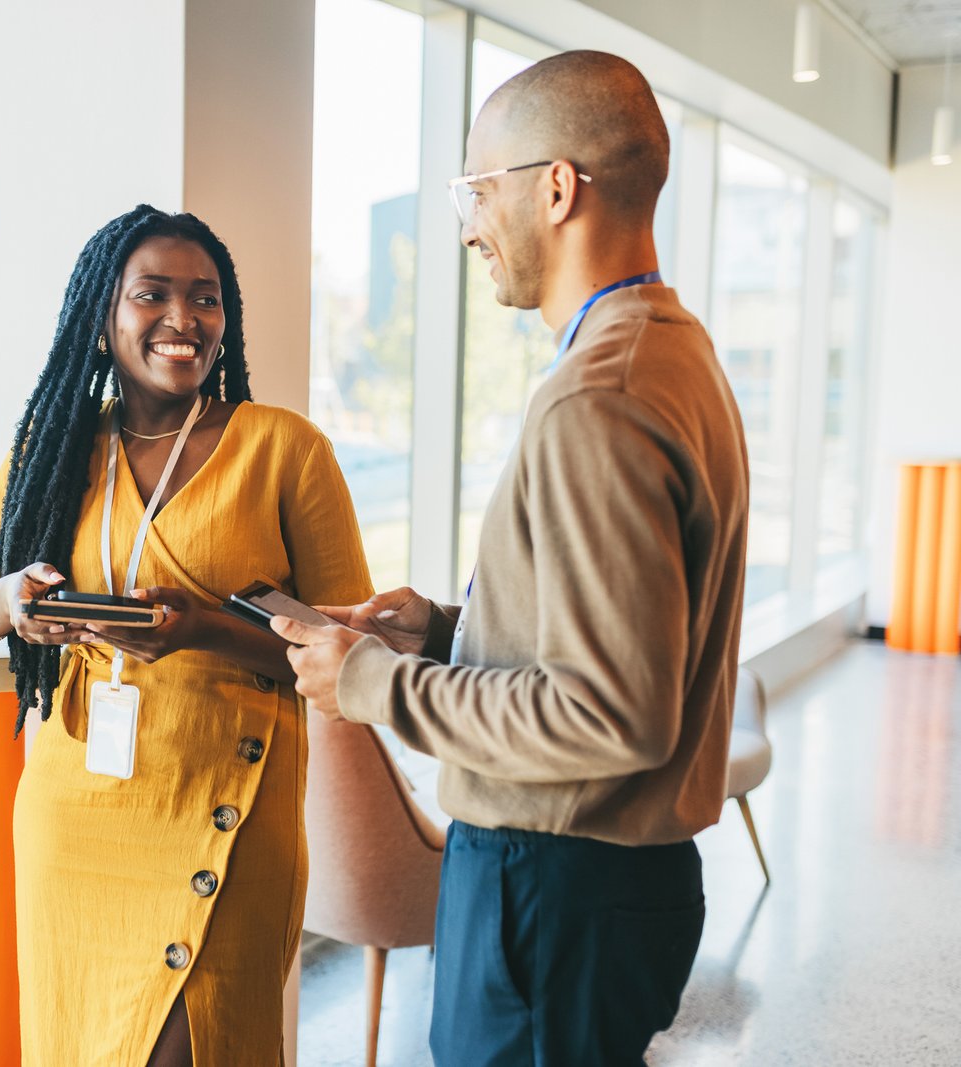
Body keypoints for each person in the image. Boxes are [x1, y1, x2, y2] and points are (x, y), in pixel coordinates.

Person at [272, 51, 750, 1066]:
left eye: (476, 190)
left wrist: (373, 682)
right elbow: (627, 634)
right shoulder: (672, 352)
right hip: (604, 883)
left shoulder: (598, 396)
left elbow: (611, 712)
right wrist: (448, 632)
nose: (466, 225)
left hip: (553, 887)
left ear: (557, 187)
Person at [0, 204, 372, 1067]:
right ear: (104, 315)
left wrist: (205, 629)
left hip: (226, 818)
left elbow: (352, 654)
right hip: (77, 821)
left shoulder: (286, 449)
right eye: (153, 294)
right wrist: (8, 603)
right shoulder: (55, 450)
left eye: (206, 298)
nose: (185, 318)